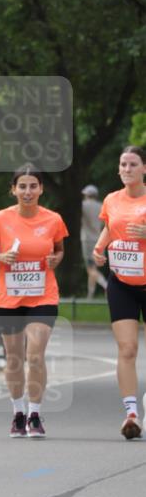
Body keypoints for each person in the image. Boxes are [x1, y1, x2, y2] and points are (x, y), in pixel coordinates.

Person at [0, 164, 68, 438]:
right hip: (9, 297)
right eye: (22, 186)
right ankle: (18, 413)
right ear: (13, 189)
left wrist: (56, 259)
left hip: (43, 294)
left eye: (33, 186)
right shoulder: (0, 219)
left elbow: (59, 250)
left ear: (41, 189)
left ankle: (35, 414)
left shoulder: (53, 220)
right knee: (15, 358)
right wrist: (0, 257)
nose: (27, 191)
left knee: (35, 355)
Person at [92, 145, 146, 440]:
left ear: (144, 168)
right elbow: (112, 228)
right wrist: (100, 248)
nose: (126, 169)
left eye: (133, 164)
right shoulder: (112, 199)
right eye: (123, 164)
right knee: (127, 349)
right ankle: (131, 414)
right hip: (122, 282)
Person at [81, 184, 107, 298]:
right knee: (93, 269)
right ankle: (90, 296)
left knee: (90, 269)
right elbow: (103, 224)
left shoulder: (83, 205)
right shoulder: (101, 206)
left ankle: (107, 286)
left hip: (87, 240)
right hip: (99, 239)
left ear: (86, 195)